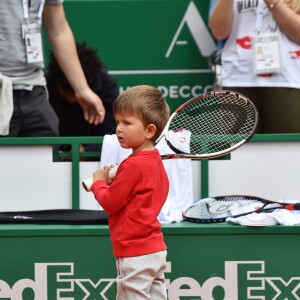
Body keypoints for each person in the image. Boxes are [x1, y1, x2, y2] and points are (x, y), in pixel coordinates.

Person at [90, 85, 170, 299]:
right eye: (117, 121)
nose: (118, 128)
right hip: (155, 249)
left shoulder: (132, 166)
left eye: (127, 123)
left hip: (135, 252)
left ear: (150, 131)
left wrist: (99, 183)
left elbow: (109, 202)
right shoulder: (154, 162)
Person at [0, 0, 105, 137]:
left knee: (47, 139)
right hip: (3, 87)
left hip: (33, 87)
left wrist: (82, 89)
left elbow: (58, 30)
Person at [209, 0, 300, 133]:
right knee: (239, 152)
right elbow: (219, 32)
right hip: (238, 77)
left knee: (287, 149)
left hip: (288, 79)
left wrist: (273, 3)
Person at [46, 42, 119, 154]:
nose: (72, 99)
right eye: (66, 92)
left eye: (76, 92)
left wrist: (86, 151)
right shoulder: (46, 83)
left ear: (88, 83)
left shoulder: (107, 86)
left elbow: (112, 135)